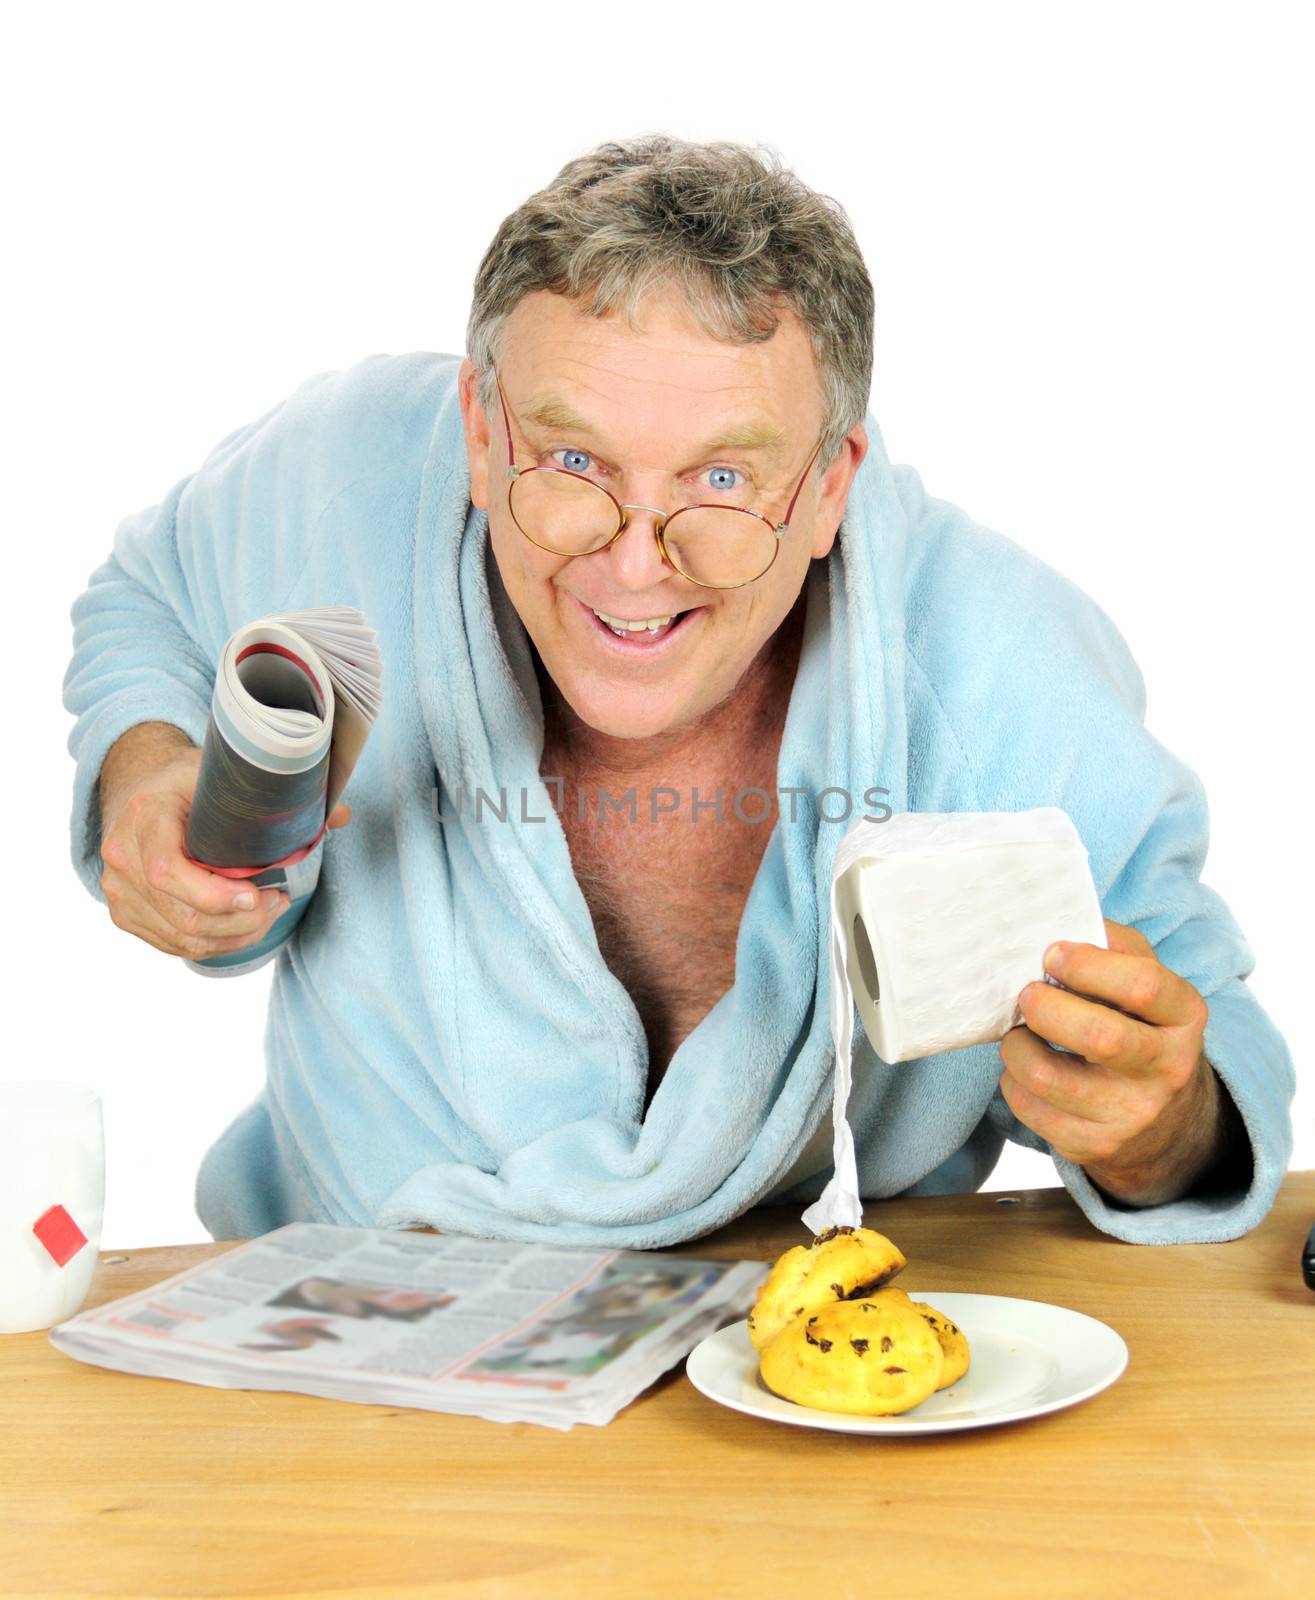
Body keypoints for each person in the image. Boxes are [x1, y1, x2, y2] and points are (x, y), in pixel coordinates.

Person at [63, 135, 1294, 1248]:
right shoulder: (346, 475)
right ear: (483, 436)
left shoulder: (1000, 676)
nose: (633, 561)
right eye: (575, 459)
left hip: (810, 1354)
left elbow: (1201, 1045)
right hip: (340, 1293)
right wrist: (148, 765)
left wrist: (1155, 1124)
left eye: (718, 480)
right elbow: (149, 596)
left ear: (827, 488)